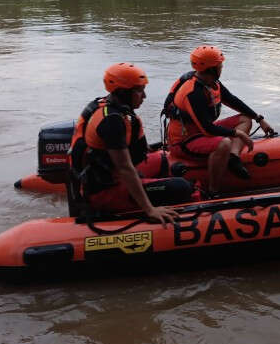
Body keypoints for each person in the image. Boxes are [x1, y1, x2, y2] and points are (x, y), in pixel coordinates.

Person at [69, 63, 194, 227]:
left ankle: (155, 186)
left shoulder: (115, 108)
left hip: (111, 174)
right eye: (139, 90)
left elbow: (131, 152)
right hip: (104, 191)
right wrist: (150, 210)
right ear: (124, 92)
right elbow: (125, 168)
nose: (144, 96)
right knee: (181, 187)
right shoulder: (111, 121)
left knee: (164, 160)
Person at [163, 45, 275, 196]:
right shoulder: (193, 92)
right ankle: (213, 191)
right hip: (184, 141)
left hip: (200, 132)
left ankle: (233, 158)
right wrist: (238, 134)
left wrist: (259, 119)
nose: (222, 68)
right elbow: (207, 129)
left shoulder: (212, 83)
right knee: (224, 143)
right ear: (211, 69)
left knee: (245, 119)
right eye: (220, 66)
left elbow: (233, 101)